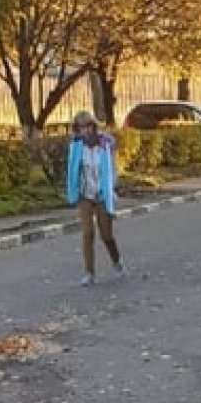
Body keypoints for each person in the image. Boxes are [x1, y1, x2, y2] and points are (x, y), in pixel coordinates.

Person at [65, 109, 124, 287]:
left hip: (102, 195)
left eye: (88, 126)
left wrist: (111, 189)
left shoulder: (105, 145)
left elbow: (111, 170)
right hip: (85, 195)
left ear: (93, 126)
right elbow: (72, 170)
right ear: (77, 130)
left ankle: (117, 261)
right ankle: (89, 273)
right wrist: (72, 191)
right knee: (87, 234)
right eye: (81, 128)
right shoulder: (76, 147)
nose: (86, 131)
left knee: (106, 235)